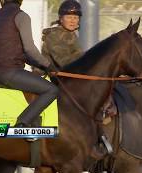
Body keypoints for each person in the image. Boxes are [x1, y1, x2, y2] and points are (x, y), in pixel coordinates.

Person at [39, 0, 113, 157]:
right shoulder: (54, 35)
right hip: (48, 81)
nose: (73, 20)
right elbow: (67, 63)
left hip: (65, 81)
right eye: (69, 16)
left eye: (76, 17)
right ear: (61, 18)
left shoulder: (71, 36)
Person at [0, 0, 59, 138]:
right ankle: (22, 124)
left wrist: (40, 65)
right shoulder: (21, 16)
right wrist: (49, 65)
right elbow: (30, 49)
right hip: (10, 72)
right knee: (52, 90)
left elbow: (17, 52)